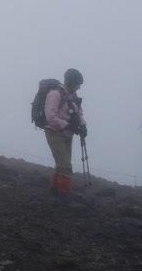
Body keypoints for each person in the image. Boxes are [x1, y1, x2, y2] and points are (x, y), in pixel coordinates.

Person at [41, 68, 87, 197]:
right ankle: (64, 193)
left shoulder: (72, 96)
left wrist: (83, 125)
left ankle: (55, 190)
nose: (78, 87)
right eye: (78, 84)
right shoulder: (55, 94)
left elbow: (78, 114)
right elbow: (50, 117)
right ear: (72, 82)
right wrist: (68, 125)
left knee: (62, 163)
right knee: (65, 165)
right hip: (54, 133)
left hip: (67, 133)